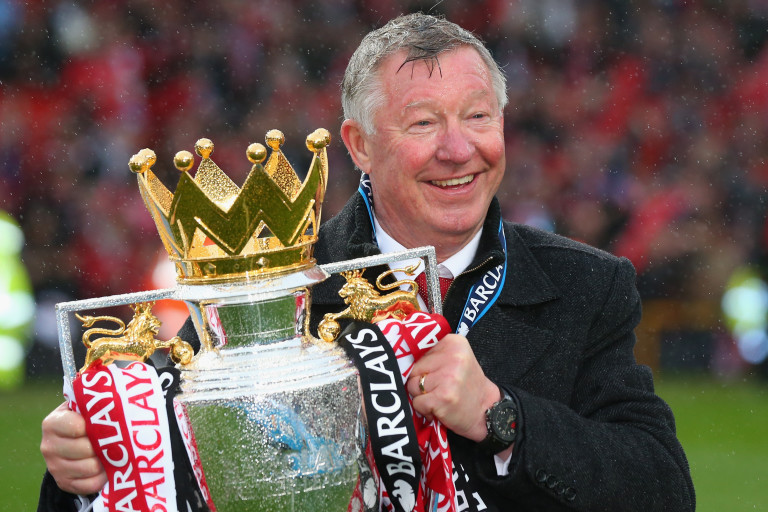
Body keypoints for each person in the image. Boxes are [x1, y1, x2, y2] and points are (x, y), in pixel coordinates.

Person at [40, 13, 695, 511]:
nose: (458, 149)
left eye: (477, 116)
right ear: (358, 145)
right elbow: (150, 457)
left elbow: (662, 488)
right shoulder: (270, 288)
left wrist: (500, 416)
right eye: (423, 124)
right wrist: (79, 466)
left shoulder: (586, 284)